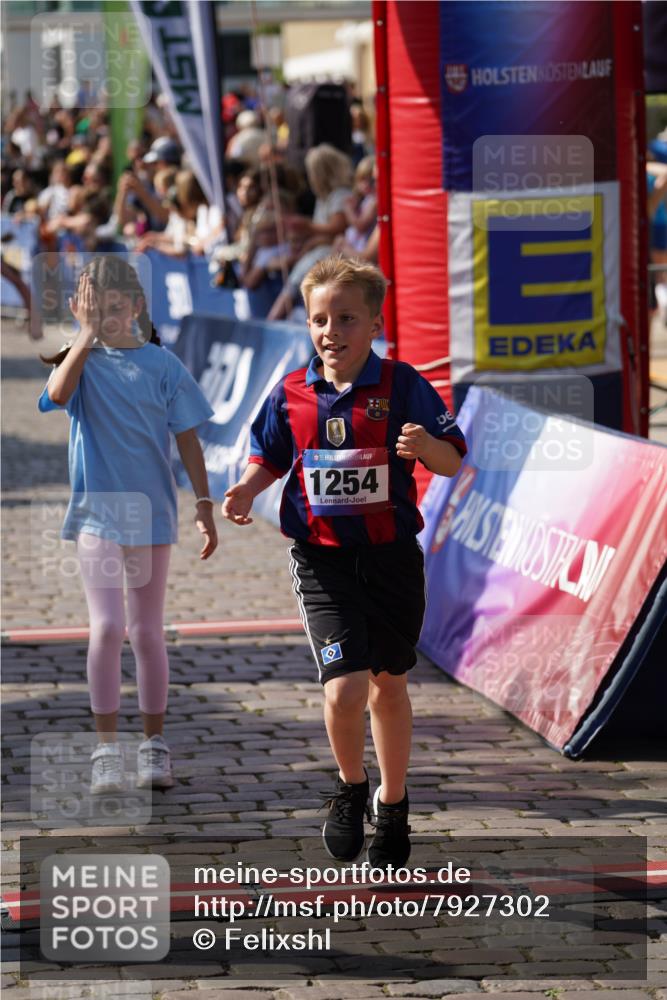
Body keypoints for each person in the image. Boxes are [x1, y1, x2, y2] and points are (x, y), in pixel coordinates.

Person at [222, 255, 467, 867]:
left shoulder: (403, 384)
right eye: (319, 320)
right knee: (345, 687)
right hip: (322, 560)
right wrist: (248, 488)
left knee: (389, 685)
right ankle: (351, 785)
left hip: (391, 559)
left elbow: (452, 460)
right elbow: (269, 455)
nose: (331, 331)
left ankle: (394, 802)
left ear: (375, 324)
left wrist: (426, 445)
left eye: (347, 318)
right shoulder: (293, 391)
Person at [37, 256, 218, 794]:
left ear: (137, 306)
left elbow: (188, 438)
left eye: (116, 308)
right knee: (106, 628)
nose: (107, 318)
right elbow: (57, 396)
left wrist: (203, 503)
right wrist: (85, 334)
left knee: (145, 631)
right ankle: (106, 751)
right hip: (96, 517)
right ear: (80, 309)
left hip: (152, 518)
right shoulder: (79, 361)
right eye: (96, 309)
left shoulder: (163, 365)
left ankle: (154, 746)